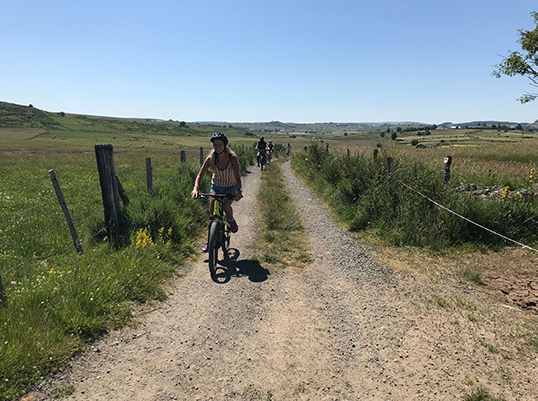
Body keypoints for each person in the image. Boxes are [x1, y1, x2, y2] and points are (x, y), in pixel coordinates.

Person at [191, 132, 243, 251]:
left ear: (224, 145)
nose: (217, 147)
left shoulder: (232, 158)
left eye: (220, 144)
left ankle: (231, 220)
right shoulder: (211, 159)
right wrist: (195, 188)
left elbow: (237, 175)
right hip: (216, 187)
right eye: (215, 145)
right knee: (212, 215)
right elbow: (200, 175)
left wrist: (239, 191)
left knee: (225, 205)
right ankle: (211, 240)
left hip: (230, 187)